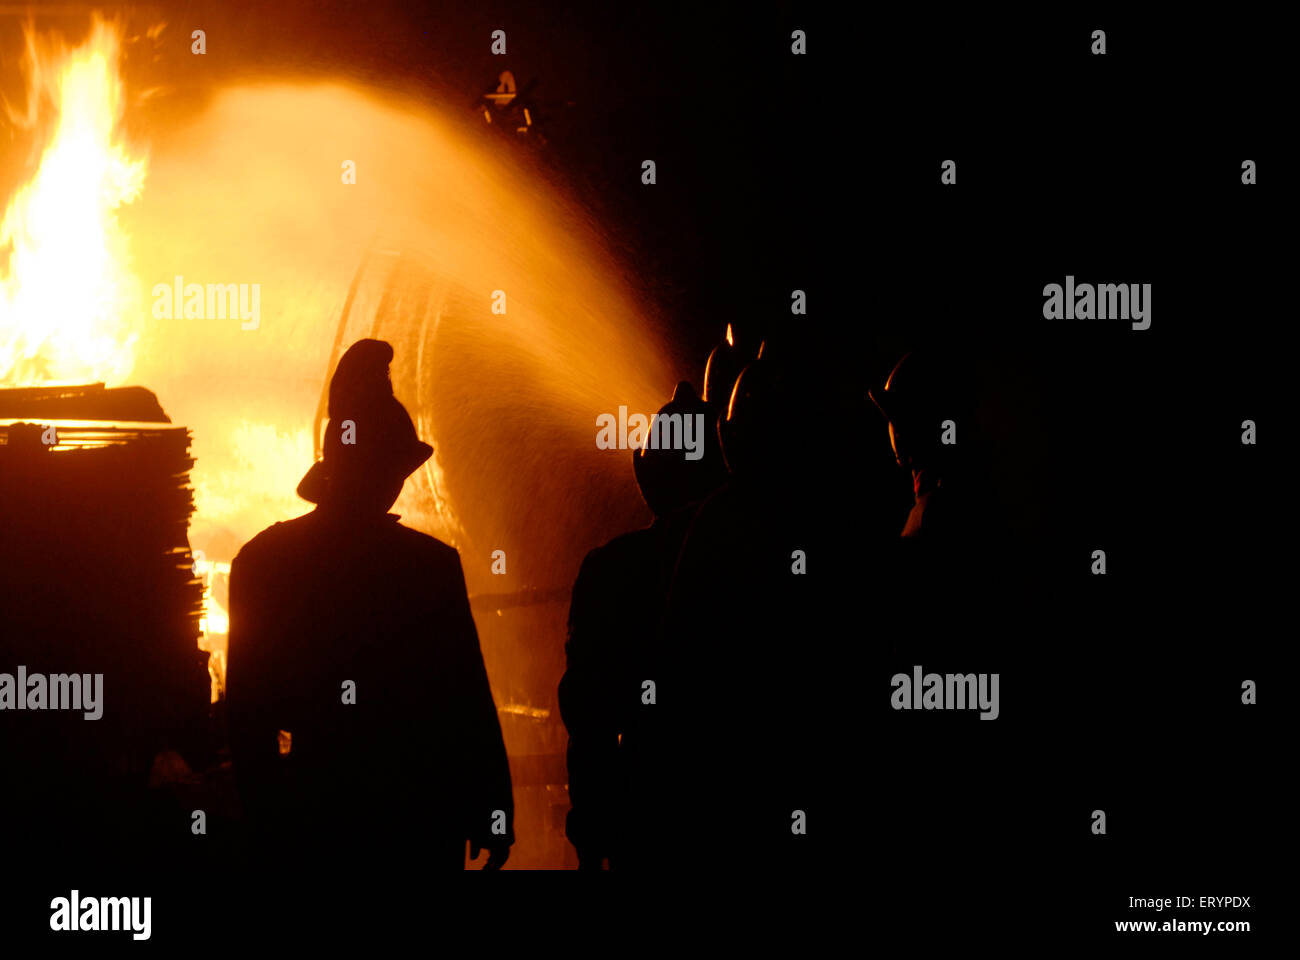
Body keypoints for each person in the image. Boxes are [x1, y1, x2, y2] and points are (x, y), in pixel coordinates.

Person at [226, 339, 513, 875]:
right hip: (418, 820)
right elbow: (465, 698)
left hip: (317, 818)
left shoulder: (264, 562)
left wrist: (269, 825)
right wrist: (493, 807)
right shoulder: (428, 567)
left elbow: (247, 718)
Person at [559, 381, 727, 870]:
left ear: (647, 477)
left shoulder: (611, 568)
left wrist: (591, 833)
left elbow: (587, 718)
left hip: (644, 819)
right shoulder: (751, 561)